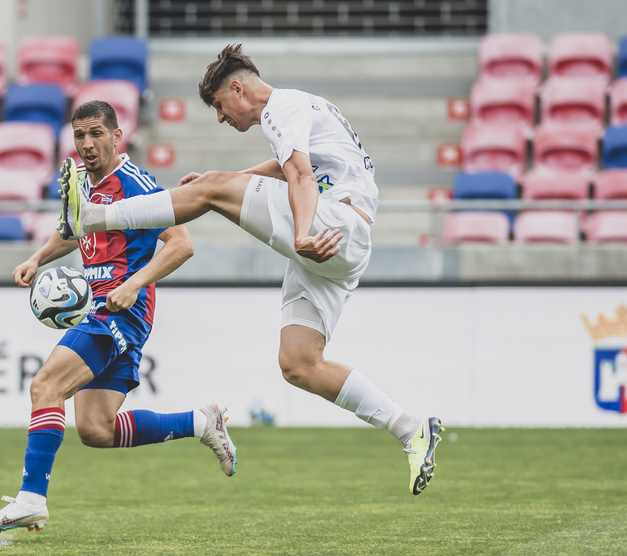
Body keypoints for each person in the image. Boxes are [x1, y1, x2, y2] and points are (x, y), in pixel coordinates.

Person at [59, 45, 442, 495]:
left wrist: (298, 231)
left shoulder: (283, 107)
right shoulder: (302, 109)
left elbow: (301, 177)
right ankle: (410, 428)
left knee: (214, 188)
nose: (222, 117)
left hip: (330, 226)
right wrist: (223, 182)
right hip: (339, 242)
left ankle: (94, 217)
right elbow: (287, 167)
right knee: (299, 364)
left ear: (238, 88)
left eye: (220, 106)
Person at [0, 101, 237, 534]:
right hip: (103, 308)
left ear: (117, 136)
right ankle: (201, 421)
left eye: (96, 133)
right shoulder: (82, 183)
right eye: (80, 135)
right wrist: (37, 258)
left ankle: (31, 500)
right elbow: (73, 230)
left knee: (45, 385)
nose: (87, 143)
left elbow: (181, 244)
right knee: (96, 429)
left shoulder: (136, 183)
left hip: (121, 312)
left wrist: (134, 283)